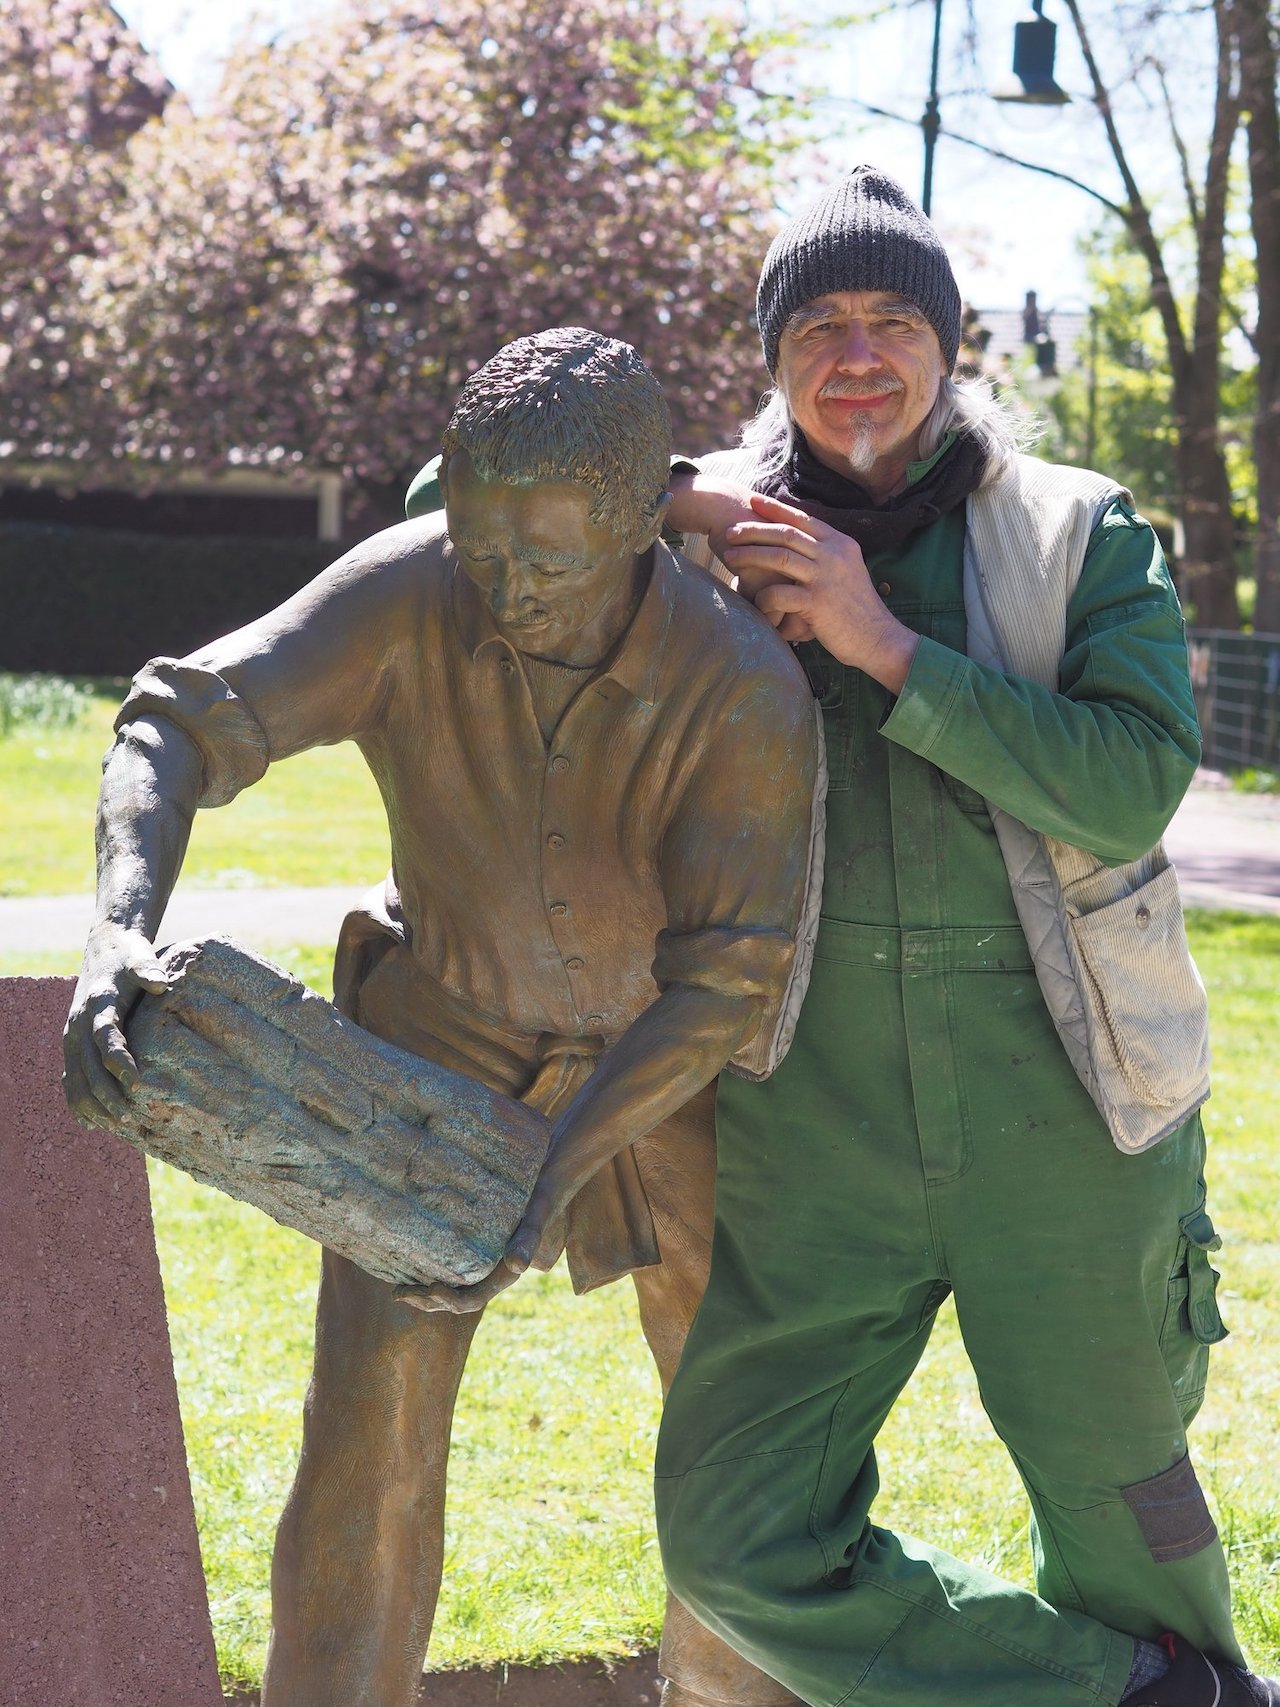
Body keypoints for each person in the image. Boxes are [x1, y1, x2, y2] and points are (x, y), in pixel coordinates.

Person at [62, 328, 823, 1707]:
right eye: (480, 550)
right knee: (369, 1426)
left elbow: (726, 984)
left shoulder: (741, 691)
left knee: (738, 1438)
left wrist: (556, 1172)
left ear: (638, 525)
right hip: (442, 1034)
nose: (506, 590)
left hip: (668, 1068)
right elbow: (173, 723)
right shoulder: (413, 590)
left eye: (547, 563)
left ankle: (737, 1694)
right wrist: (119, 925)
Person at [648, 167, 1280, 1707]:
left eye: (895, 321)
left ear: (950, 344)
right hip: (818, 1133)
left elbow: (1131, 787)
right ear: (773, 357)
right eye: (819, 325)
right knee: (735, 1540)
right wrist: (667, 494)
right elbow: (462, 500)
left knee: (1132, 1531)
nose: (859, 356)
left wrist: (880, 643)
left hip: (1073, 1122)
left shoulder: (1078, 530)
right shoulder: (699, 534)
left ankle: (1177, 1677)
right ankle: (1139, 1701)